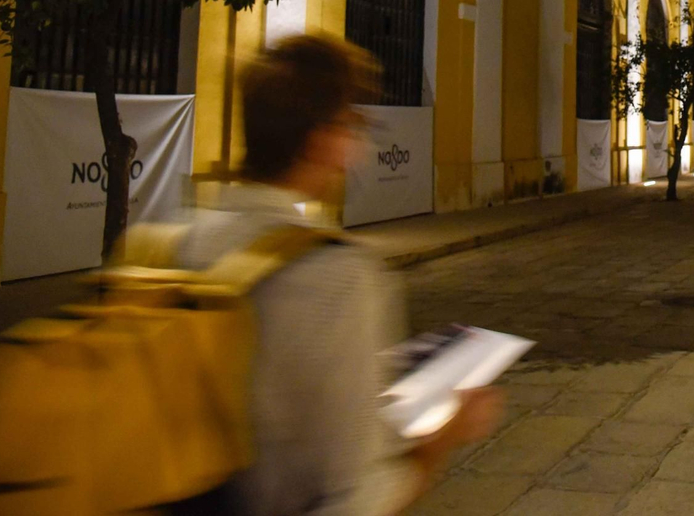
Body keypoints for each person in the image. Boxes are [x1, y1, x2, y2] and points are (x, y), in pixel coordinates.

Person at [176, 35, 500, 515]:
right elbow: (356, 497)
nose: (359, 149)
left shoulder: (178, 243)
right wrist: (441, 439)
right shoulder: (335, 275)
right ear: (321, 139)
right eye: (353, 125)